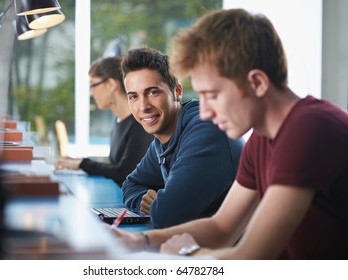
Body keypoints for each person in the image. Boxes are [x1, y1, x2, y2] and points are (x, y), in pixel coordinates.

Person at [112, 9, 348, 259]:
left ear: (257, 82)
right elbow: (221, 227)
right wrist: (138, 241)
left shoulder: (308, 129)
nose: (205, 110)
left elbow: (251, 256)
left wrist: (186, 252)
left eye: (212, 95)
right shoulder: (261, 139)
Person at [120, 47, 244, 229]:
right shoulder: (162, 140)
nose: (143, 106)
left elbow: (167, 215)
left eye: (152, 92)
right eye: (133, 97)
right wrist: (142, 200)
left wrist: (158, 204)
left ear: (177, 91)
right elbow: (131, 183)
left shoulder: (206, 130)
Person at [54, 57, 153, 187]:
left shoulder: (140, 124)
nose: (91, 92)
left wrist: (83, 164)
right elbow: (116, 167)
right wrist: (80, 163)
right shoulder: (118, 120)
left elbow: (125, 172)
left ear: (111, 84)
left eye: (93, 85)